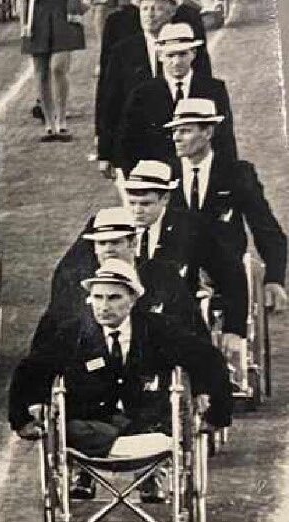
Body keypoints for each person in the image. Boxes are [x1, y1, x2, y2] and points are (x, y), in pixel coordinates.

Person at [11, 259, 232, 500]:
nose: (104, 306)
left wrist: (215, 414)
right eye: (98, 298)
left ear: (133, 299)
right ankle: (121, 449)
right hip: (91, 427)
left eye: (114, 298)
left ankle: (142, 463)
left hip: (148, 424)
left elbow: (210, 359)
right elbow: (29, 370)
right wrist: (22, 419)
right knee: (66, 427)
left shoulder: (158, 330)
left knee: (163, 428)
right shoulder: (73, 333)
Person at [167, 98, 288, 312]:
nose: (176, 138)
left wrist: (274, 279)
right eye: (175, 131)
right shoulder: (164, 175)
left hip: (228, 280)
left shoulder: (237, 174)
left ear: (207, 133)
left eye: (185, 131)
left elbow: (266, 228)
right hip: (178, 279)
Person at [34, 206, 206, 344]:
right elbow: (52, 331)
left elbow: (194, 330)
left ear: (133, 243)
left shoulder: (163, 275)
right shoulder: (76, 282)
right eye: (102, 243)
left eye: (116, 242)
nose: (109, 249)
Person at [96, 0, 211, 179]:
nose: (150, 14)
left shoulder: (188, 37)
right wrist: (104, 151)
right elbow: (108, 98)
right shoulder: (122, 48)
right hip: (137, 145)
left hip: (181, 146)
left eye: (157, 9)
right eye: (145, 9)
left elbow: (204, 85)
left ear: (172, 11)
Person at [117, 22, 235, 173]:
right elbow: (129, 146)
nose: (177, 62)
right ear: (160, 56)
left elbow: (225, 140)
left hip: (203, 177)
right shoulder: (142, 94)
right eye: (170, 55)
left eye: (182, 54)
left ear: (193, 53)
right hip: (159, 181)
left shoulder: (213, 90)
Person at [19, 0, 88, 140]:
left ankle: (61, 119)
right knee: (41, 71)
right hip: (37, 13)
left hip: (63, 12)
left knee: (58, 67)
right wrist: (24, 22)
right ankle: (49, 123)